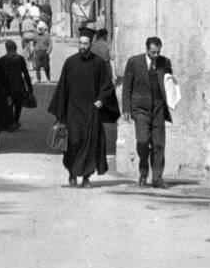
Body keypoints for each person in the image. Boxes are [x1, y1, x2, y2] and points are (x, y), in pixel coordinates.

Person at [50, 28, 118, 187]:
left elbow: (107, 86)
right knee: (73, 142)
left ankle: (86, 176)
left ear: (91, 44)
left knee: (91, 144)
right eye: (80, 43)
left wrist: (101, 100)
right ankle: (72, 173)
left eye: (86, 44)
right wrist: (61, 112)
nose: (82, 47)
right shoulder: (70, 62)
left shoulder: (99, 64)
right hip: (73, 111)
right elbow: (63, 87)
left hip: (91, 111)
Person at [122, 36, 175, 188]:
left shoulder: (164, 62)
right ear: (147, 50)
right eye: (153, 52)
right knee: (142, 141)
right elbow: (127, 86)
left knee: (159, 144)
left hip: (158, 108)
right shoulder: (134, 62)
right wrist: (126, 108)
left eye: (158, 52)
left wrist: (171, 98)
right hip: (140, 109)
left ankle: (157, 178)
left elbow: (170, 82)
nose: (156, 55)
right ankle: (144, 170)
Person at [0, 39, 33, 130]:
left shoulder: (2, 60)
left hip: (7, 88)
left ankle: (10, 123)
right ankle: (15, 122)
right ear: (15, 48)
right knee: (18, 106)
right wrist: (30, 88)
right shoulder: (20, 59)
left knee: (9, 105)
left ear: (6, 49)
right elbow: (26, 74)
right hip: (19, 87)